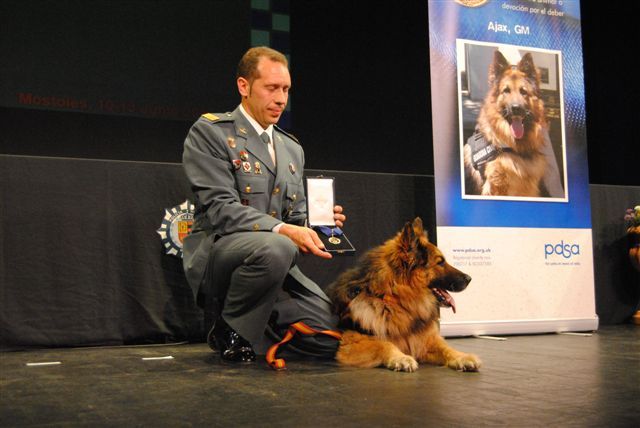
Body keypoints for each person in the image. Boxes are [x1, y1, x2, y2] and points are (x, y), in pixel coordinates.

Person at [181, 46, 346, 363]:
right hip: (220, 255)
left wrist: (318, 224)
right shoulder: (211, 133)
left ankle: (261, 321)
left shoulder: (291, 147)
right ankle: (230, 329)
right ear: (244, 86)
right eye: (272, 88)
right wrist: (285, 230)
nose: (281, 99)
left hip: (273, 262)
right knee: (278, 247)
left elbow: (293, 216)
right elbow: (221, 210)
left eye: (285, 89)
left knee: (332, 339)